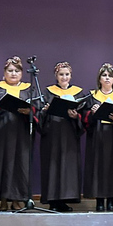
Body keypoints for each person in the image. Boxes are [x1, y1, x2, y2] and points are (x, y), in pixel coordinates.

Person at [0, 56, 38, 211]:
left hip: (21, 133)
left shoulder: (29, 89)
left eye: (17, 71)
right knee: (1, 164)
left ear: (22, 73)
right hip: (0, 133)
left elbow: (38, 109)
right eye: (10, 71)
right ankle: (2, 200)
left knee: (19, 164)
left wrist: (30, 111)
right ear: (4, 72)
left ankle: (17, 199)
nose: (13, 74)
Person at [82, 63, 113, 212]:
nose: (107, 78)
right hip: (97, 136)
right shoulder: (92, 97)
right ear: (99, 79)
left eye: (110, 76)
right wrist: (92, 112)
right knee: (98, 168)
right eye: (104, 75)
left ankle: (111, 201)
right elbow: (84, 118)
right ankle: (99, 201)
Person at [38, 62, 86, 212]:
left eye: (67, 74)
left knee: (67, 167)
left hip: (69, 135)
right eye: (61, 74)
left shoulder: (78, 93)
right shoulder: (47, 92)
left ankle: (64, 200)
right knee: (53, 166)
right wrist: (45, 111)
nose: (64, 77)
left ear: (71, 76)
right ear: (56, 76)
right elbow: (39, 114)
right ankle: (53, 201)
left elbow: (83, 118)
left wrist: (75, 116)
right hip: (52, 135)